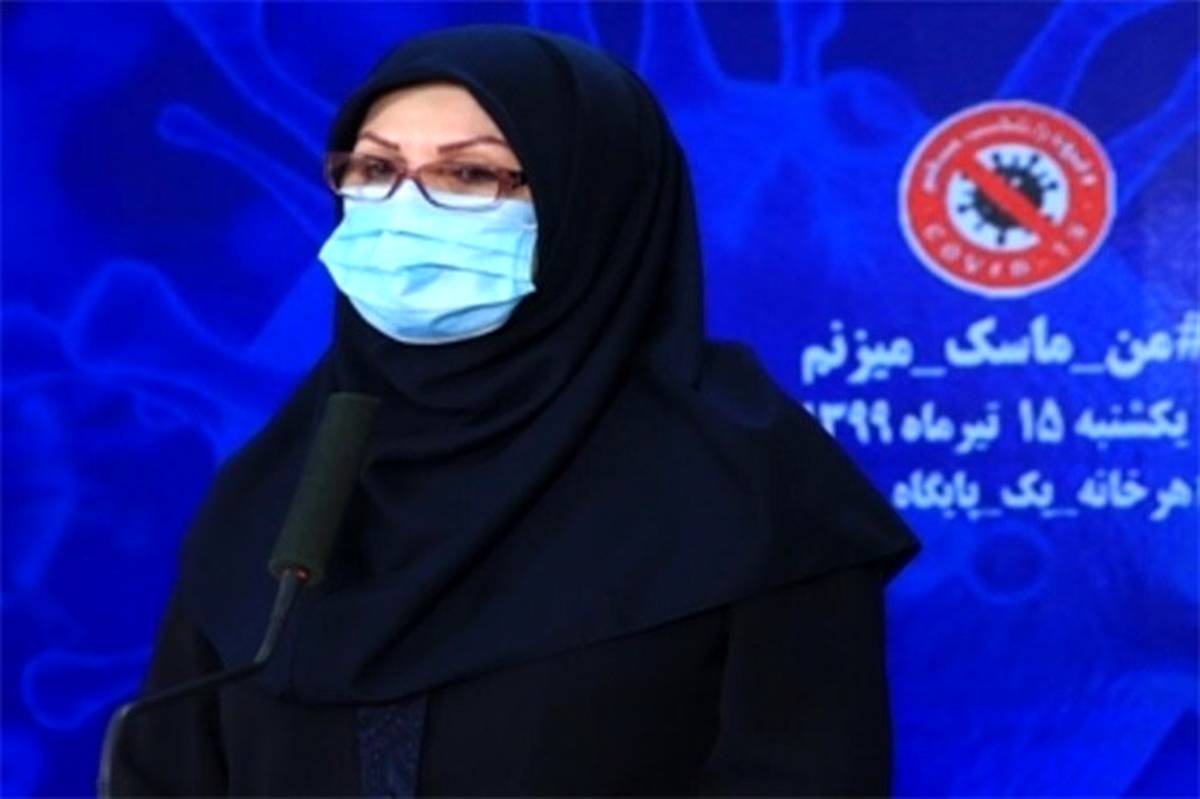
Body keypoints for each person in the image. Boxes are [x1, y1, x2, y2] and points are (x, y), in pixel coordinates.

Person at [111, 24, 920, 797]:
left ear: (591, 204)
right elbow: (169, 771)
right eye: (374, 168)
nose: (405, 211)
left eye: (468, 175)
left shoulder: (748, 487)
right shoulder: (289, 483)